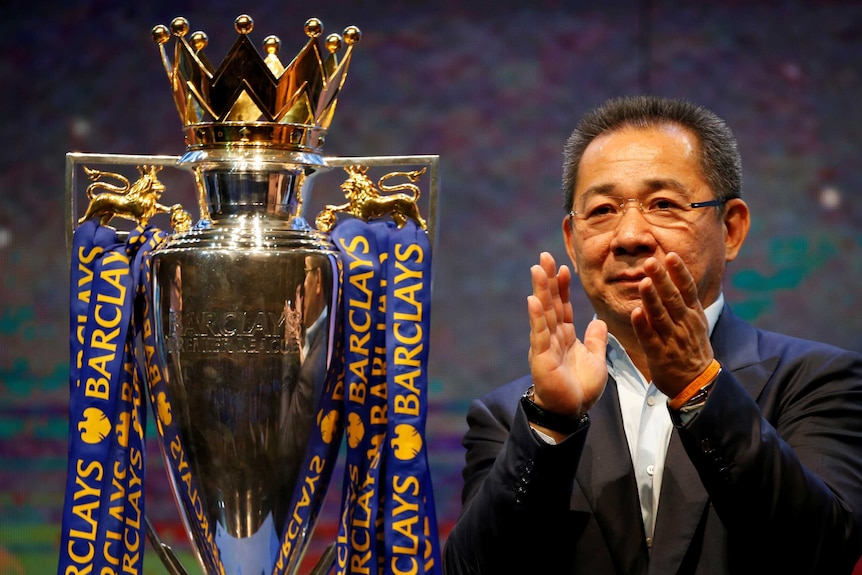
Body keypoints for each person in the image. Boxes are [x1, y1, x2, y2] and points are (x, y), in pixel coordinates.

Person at [443, 95, 862, 574]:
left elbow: (823, 553)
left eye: (663, 204)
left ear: (732, 229)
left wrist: (699, 385)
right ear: (571, 243)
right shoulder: (514, 416)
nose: (629, 236)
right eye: (602, 210)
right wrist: (552, 424)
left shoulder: (816, 381)